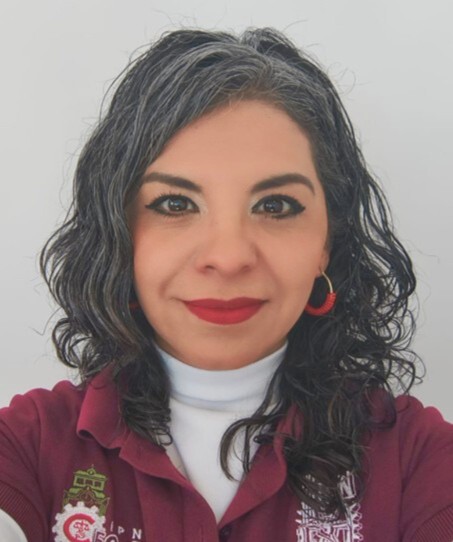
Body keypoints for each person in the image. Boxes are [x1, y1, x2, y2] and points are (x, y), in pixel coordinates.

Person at [0, 27, 452, 542]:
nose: (229, 258)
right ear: (120, 235)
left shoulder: (419, 460)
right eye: (175, 204)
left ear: (327, 242)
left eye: (276, 205)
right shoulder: (26, 446)